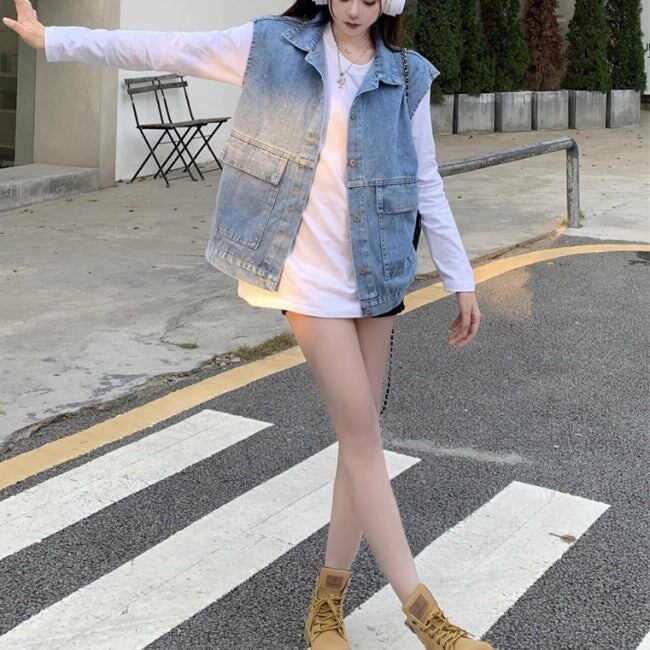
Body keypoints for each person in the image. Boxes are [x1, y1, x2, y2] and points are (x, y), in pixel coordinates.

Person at [4, 0, 489, 648]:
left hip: (377, 271)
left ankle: (328, 599)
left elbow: (426, 181)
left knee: (361, 439)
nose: (353, 8)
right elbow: (165, 49)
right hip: (303, 274)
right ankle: (422, 612)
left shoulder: (406, 75)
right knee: (362, 434)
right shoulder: (271, 47)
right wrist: (55, 40)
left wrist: (460, 275)